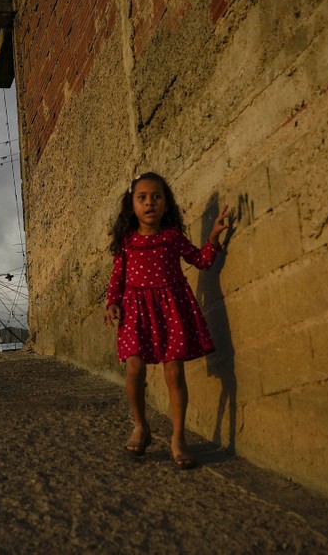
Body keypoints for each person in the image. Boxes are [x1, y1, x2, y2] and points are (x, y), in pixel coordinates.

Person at [104, 172, 230, 468]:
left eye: (157, 197)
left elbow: (202, 261)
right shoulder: (126, 242)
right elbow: (117, 279)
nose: (150, 203)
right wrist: (112, 304)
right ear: (131, 205)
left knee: (174, 373)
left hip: (171, 310)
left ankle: (178, 438)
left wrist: (213, 237)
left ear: (166, 203)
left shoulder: (172, 238)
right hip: (135, 311)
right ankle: (140, 426)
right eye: (142, 198)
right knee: (134, 369)